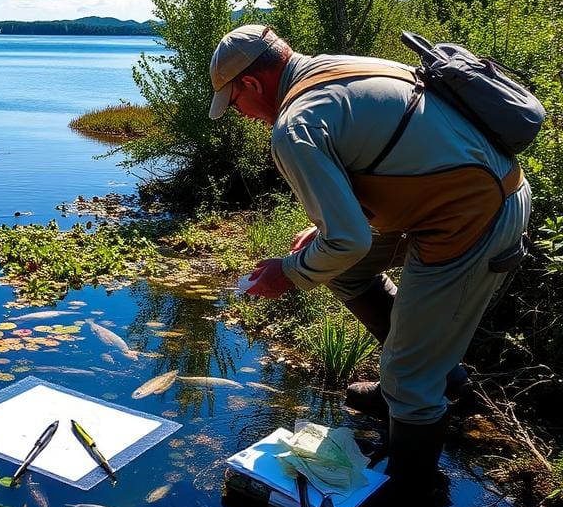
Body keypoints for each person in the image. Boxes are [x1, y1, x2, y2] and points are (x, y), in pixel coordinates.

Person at [209, 24, 531, 483]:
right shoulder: (335, 67)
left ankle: (408, 497)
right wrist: (322, 233)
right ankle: (442, 376)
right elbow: (389, 160)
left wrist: (289, 272)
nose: (240, 114)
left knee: (409, 380)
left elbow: (348, 241)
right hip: (466, 193)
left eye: (234, 102)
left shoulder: (295, 126)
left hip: (473, 217)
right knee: (345, 271)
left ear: (251, 84)